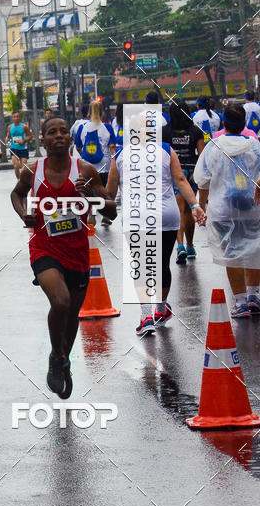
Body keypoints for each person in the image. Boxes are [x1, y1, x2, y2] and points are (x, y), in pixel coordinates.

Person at [11, 116, 116, 397]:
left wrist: (90, 195)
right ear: (42, 140)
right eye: (51, 132)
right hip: (44, 248)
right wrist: (25, 214)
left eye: (63, 132)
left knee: (72, 314)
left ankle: (61, 360)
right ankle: (56, 354)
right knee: (61, 301)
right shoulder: (32, 171)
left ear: (70, 139)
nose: (58, 136)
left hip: (77, 252)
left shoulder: (85, 170)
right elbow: (17, 195)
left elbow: (111, 210)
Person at [107, 128, 205, 336]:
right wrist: (195, 205)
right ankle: (160, 309)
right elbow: (180, 179)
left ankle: (146, 316)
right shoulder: (166, 150)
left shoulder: (119, 155)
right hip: (165, 216)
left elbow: (110, 191)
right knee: (161, 265)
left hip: (136, 218)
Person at [194, 103, 260, 318]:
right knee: (254, 249)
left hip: (223, 210)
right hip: (252, 208)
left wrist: (201, 207)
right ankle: (254, 296)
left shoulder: (213, 146)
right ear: (244, 124)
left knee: (231, 253)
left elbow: (203, 181)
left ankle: (240, 302)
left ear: (224, 123)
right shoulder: (255, 146)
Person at [163, 100, 205, 263]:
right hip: (192, 172)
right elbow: (201, 154)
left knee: (179, 209)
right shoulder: (195, 131)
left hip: (174, 172)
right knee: (189, 209)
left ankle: (179, 246)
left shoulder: (165, 132)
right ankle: (190, 245)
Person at [75, 101, 116, 224]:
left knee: (89, 190)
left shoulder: (82, 128)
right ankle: (106, 216)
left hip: (88, 166)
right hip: (104, 165)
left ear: (88, 112)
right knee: (104, 191)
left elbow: (78, 146)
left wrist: (85, 154)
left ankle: (92, 212)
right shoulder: (107, 127)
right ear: (102, 112)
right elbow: (112, 145)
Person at [6, 111, 34, 179]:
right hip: (13, 148)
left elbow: (30, 136)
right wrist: (7, 139)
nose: (16, 118)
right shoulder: (10, 127)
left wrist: (24, 140)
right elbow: (8, 136)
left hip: (23, 149)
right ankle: (19, 181)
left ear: (20, 118)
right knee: (16, 166)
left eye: (17, 116)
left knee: (24, 167)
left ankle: (23, 180)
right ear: (12, 118)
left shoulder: (24, 127)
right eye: (14, 117)